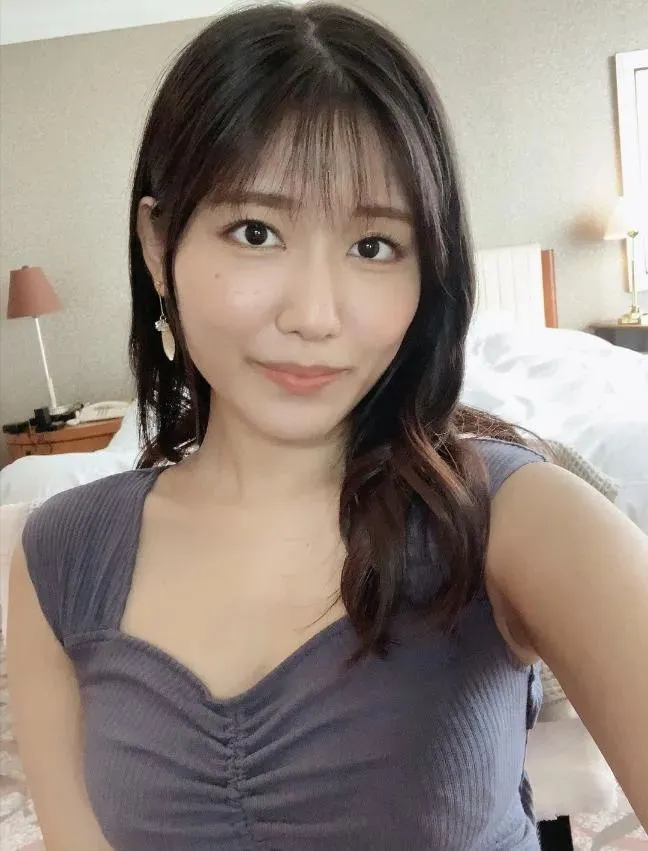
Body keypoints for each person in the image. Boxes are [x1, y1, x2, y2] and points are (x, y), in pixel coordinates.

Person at [7, 4, 648, 850]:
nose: (314, 315)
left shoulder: (518, 515)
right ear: (159, 246)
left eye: (375, 246)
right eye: (256, 231)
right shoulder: (59, 553)